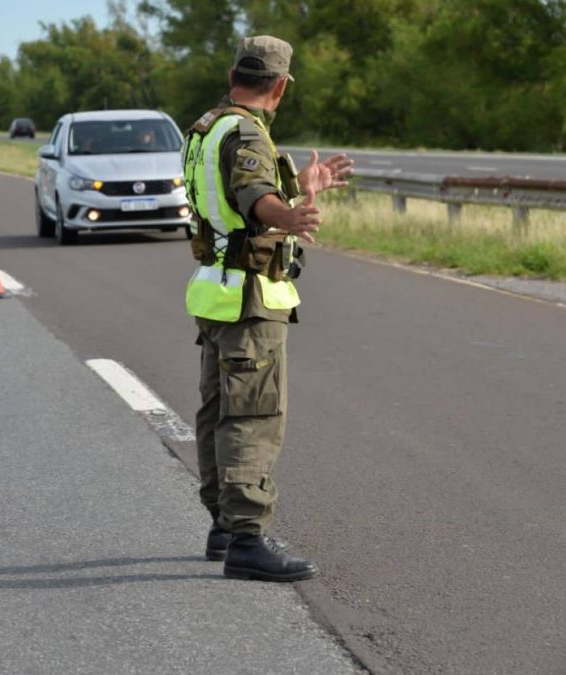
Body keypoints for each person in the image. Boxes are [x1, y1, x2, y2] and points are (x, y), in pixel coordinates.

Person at [181, 36, 353, 582]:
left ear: (233, 72)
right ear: (279, 87)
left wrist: (302, 188)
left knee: (218, 413)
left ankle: (223, 526)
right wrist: (290, 214)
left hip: (216, 291)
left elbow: (231, 198)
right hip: (249, 299)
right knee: (252, 415)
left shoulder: (209, 126)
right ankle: (248, 539)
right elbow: (254, 195)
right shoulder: (249, 133)